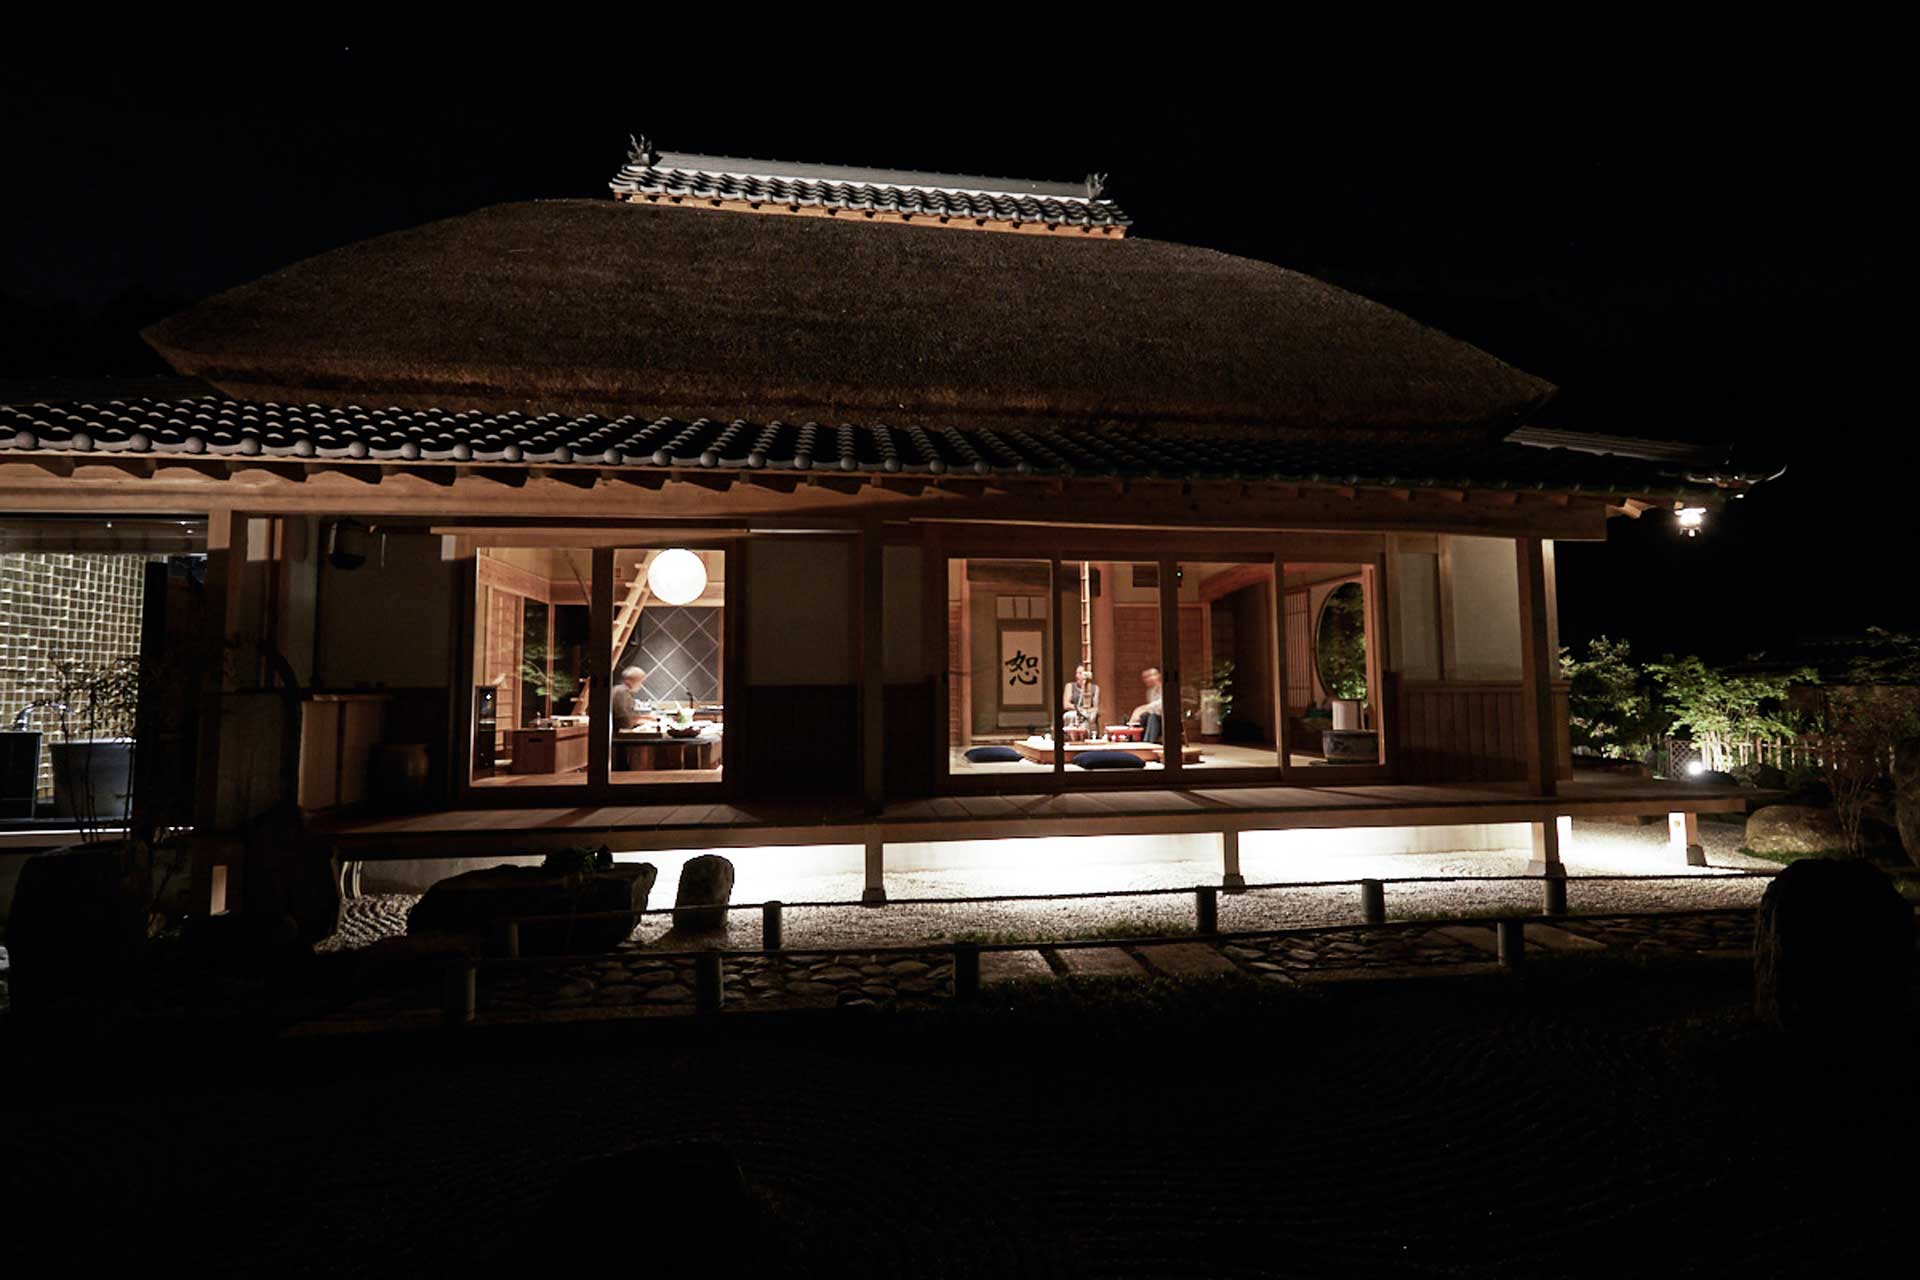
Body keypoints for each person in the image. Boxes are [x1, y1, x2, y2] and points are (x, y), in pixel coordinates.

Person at [1127, 666, 1164, 743]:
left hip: (1167, 718)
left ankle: (1149, 741)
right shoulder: (1150, 691)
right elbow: (1151, 708)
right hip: (1155, 718)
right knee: (1144, 716)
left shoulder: (1164, 688)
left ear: (1158, 676)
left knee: (1152, 717)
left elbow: (1161, 705)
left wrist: (1142, 708)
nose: (1147, 679)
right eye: (1145, 677)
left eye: (1149, 676)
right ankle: (1135, 739)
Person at [1061, 662, 1100, 731]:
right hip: (1074, 712)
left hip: (1088, 714)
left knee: (1090, 718)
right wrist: (1079, 709)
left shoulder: (1095, 688)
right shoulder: (1070, 686)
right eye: (1077, 673)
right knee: (1070, 716)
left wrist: (1088, 711)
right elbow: (1066, 705)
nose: (1077, 676)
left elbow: (1095, 707)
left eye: (1080, 673)